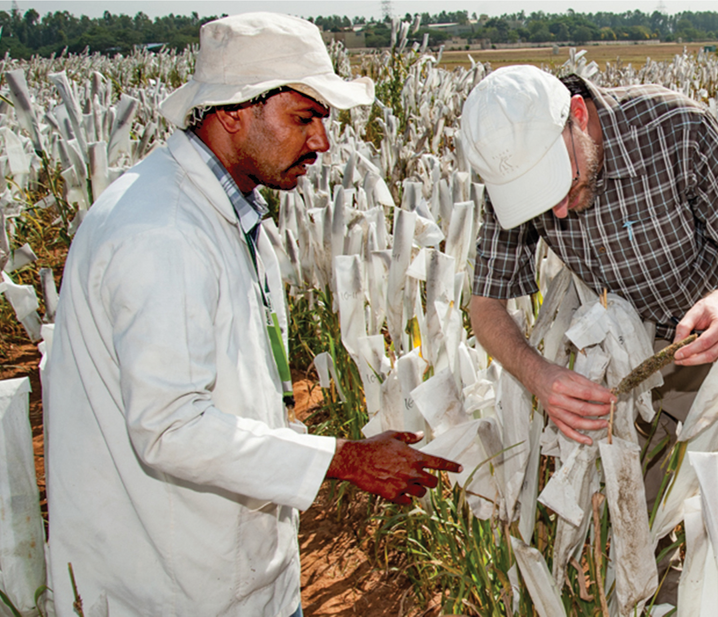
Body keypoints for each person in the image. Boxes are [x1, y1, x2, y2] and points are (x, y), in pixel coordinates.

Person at [43, 13, 459, 617]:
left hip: (225, 574)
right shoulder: (163, 232)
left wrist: (336, 448)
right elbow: (169, 428)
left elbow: (232, 401)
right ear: (232, 112)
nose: (322, 142)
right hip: (175, 589)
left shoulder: (223, 214)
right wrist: (344, 461)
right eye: (303, 118)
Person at [459, 64, 718, 448]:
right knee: (643, 503)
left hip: (713, 344)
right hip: (620, 362)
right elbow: (485, 306)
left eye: (562, 181)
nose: (557, 211)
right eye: (538, 201)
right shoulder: (513, 180)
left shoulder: (678, 128)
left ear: (577, 115)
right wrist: (538, 375)